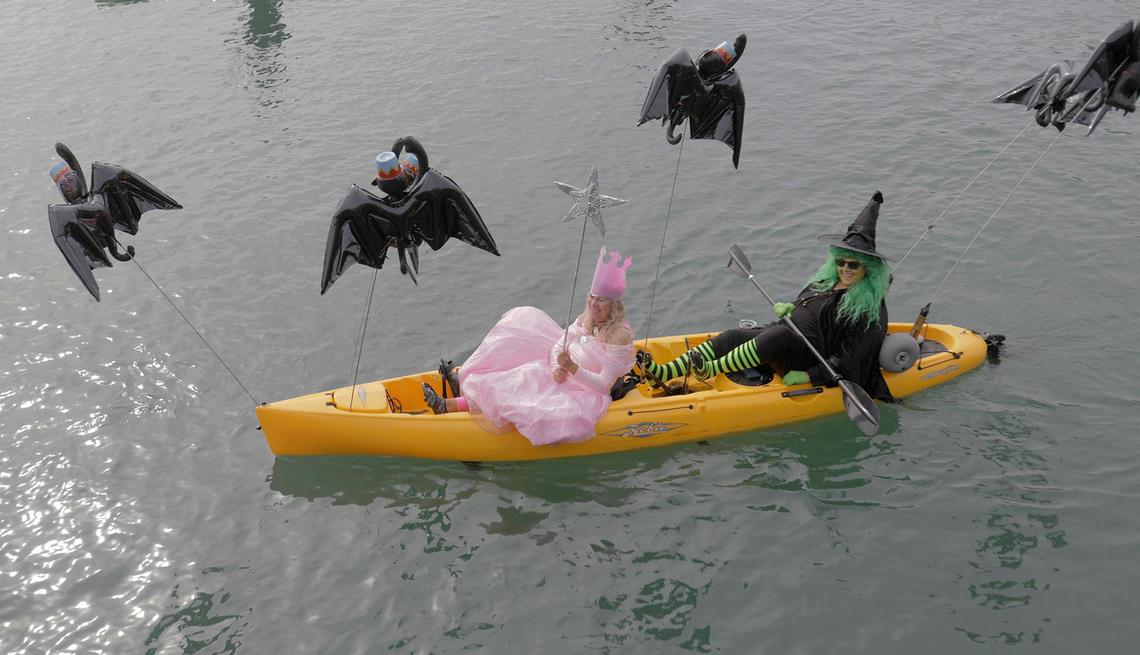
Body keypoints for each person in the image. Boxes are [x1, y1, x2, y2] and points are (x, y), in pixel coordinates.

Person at [639, 191, 894, 401]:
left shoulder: (870, 311)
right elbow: (809, 310)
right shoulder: (827, 281)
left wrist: (810, 377)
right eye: (841, 262)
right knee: (731, 337)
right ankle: (666, 371)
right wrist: (790, 307)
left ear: (868, 269)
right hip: (784, 338)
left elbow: (852, 359)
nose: (845, 269)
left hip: (806, 360)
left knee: (779, 335)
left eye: (853, 265)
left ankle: (710, 371)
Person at [422, 247, 636, 445]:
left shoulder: (619, 336)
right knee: (510, 381)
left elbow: (603, 386)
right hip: (562, 376)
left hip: (587, 394)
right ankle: (459, 394)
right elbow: (558, 345)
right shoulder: (585, 318)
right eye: (592, 298)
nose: (593, 304)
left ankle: (448, 406)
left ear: (614, 306)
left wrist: (572, 368)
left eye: (601, 301)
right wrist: (556, 367)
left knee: (527, 402)